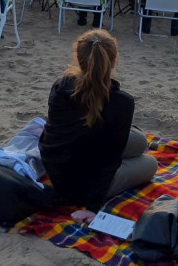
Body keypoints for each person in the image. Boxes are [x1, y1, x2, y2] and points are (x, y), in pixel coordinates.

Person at [40, 30, 156, 223]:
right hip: (82, 186)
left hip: (58, 168)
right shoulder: (122, 102)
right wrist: (92, 208)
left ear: (79, 58)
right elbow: (109, 160)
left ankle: (118, 133)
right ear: (114, 60)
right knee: (150, 163)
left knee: (140, 141)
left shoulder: (60, 87)